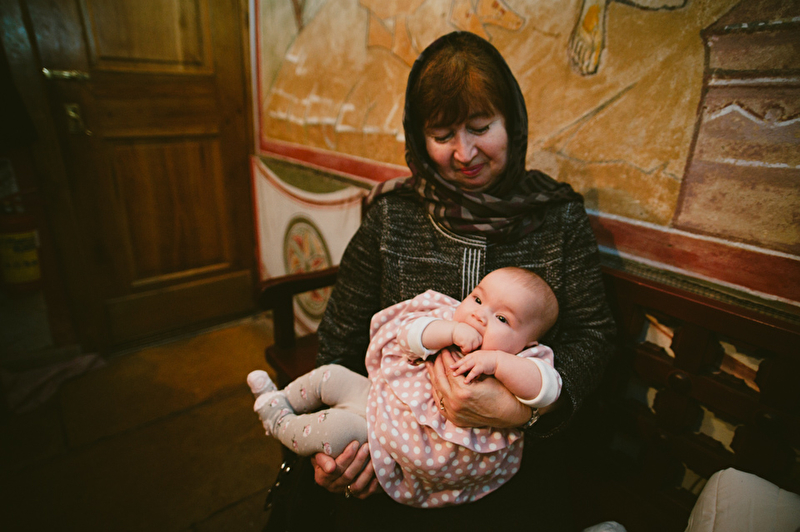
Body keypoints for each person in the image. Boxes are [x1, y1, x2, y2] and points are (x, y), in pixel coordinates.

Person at [263, 31, 616, 531]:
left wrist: (526, 412)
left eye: (481, 127)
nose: (464, 153)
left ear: (512, 123)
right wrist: (350, 453)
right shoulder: (393, 216)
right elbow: (341, 337)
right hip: (393, 442)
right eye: (443, 134)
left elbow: (594, 336)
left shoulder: (557, 219)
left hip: (513, 459)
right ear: (419, 137)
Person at [249, 267, 562, 507]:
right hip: (378, 397)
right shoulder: (447, 318)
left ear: (528, 342)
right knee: (330, 376)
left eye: (502, 319)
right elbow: (408, 337)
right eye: (478, 299)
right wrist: (449, 331)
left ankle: (277, 420)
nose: (480, 315)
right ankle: (282, 397)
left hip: (390, 443)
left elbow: (547, 389)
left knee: (332, 431)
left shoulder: (525, 359)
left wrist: (497, 363)